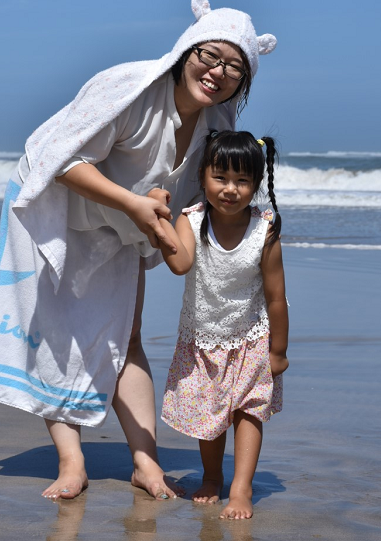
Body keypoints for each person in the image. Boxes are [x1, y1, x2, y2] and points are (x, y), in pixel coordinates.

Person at [0, 0, 277, 502]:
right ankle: (72, 462)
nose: (217, 71)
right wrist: (134, 204)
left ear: (244, 80)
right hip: (54, 203)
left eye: (234, 67)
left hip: (120, 223)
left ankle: (146, 462)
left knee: (129, 333)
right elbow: (63, 157)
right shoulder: (131, 91)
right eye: (209, 56)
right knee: (57, 328)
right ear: (186, 50)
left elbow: (207, 199)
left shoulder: (215, 130)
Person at [150, 130, 289, 519]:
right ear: (203, 177)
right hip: (202, 339)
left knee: (248, 411)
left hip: (253, 337)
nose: (231, 189)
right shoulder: (191, 221)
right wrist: (158, 223)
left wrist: (279, 350)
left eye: (243, 181)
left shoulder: (265, 230)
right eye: (221, 178)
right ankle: (212, 477)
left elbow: (277, 297)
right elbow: (179, 265)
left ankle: (241, 488)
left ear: (257, 184)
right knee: (209, 413)